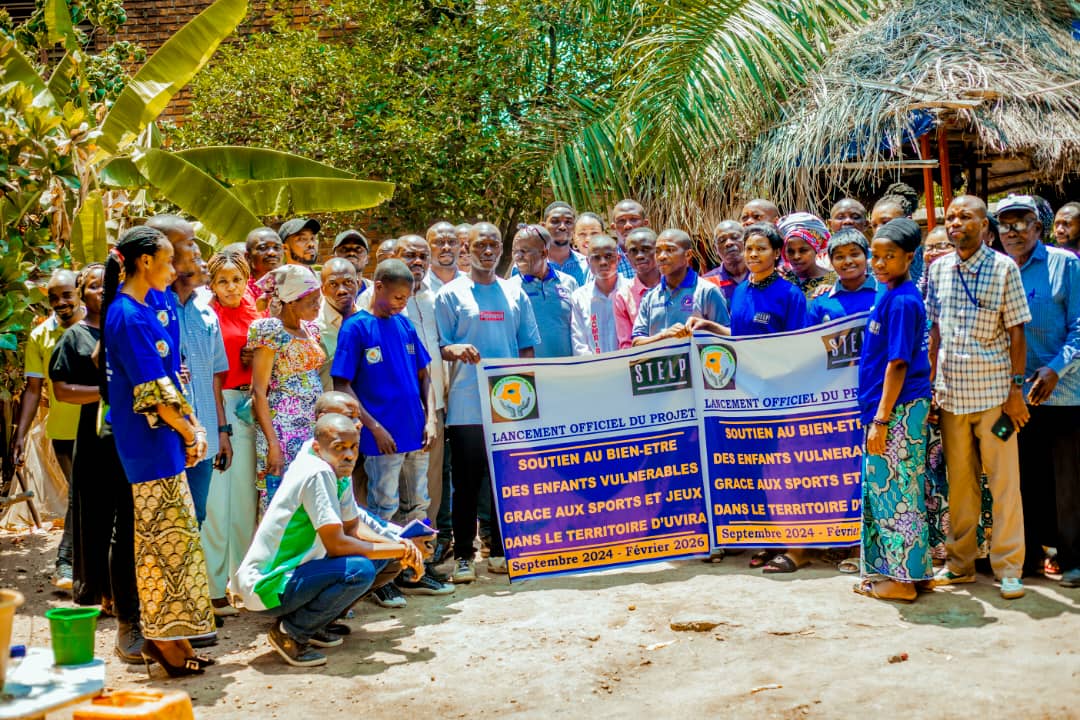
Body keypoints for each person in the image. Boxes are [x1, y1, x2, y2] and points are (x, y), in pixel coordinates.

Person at [101, 226, 214, 676]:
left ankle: (172, 634)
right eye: (169, 261)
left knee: (178, 544)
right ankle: (162, 640)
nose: (176, 269)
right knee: (161, 548)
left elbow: (174, 380)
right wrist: (190, 432)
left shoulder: (145, 306)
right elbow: (154, 392)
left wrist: (191, 428)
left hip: (163, 442)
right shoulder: (126, 315)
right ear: (145, 262)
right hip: (149, 446)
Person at [235, 413, 426, 667]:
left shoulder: (335, 467)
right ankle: (290, 633)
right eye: (340, 448)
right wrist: (399, 549)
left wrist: (399, 547)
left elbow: (353, 527)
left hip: (297, 575)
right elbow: (337, 544)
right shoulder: (318, 472)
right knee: (359, 570)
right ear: (318, 447)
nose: (349, 454)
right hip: (268, 585)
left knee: (386, 557)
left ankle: (317, 623)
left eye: (353, 447)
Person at [927, 195, 1032, 600]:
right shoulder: (938, 270)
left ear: (984, 226)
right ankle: (960, 565)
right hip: (951, 396)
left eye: (964, 216)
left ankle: (1009, 569)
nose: (955, 223)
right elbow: (935, 332)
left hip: (993, 398)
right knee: (961, 487)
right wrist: (934, 387)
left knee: (1004, 483)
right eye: (951, 217)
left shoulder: (1003, 267)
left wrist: (1016, 391)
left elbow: (1017, 332)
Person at [333, 260, 445, 600]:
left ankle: (416, 570)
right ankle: (383, 581)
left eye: (406, 298)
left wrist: (429, 419)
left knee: (418, 505)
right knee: (383, 508)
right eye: (396, 296)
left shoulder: (405, 326)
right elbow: (343, 383)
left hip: (416, 434)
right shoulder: (356, 328)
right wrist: (374, 427)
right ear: (378, 286)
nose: (401, 303)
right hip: (382, 438)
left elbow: (425, 376)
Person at [435, 222, 540, 582]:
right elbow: (440, 347)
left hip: (509, 405)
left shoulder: (514, 294)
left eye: (494, 244)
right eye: (481, 244)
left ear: (502, 249)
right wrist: (455, 349)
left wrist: (527, 399)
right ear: (468, 248)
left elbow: (527, 347)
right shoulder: (451, 294)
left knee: (503, 480)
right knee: (465, 482)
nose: (488, 250)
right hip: (467, 404)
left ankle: (500, 550)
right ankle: (464, 555)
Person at [50, 264, 142, 661]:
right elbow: (64, 390)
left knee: (129, 519)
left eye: (106, 285)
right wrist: (109, 391)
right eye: (91, 286)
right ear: (82, 293)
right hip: (94, 441)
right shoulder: (75, 337)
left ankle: (125, 595)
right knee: (96, 518)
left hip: (131, 440)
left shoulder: (125, 328)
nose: (100, 291)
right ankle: (100, 593)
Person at [996, 195, 1080, 586]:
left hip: (1064, 392)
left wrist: (1055, 369)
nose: (1011, 231)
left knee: (1069, 480)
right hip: (1016, 394)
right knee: (1024, 477)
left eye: (1020, 222)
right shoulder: (997, 268)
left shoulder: (1066, 265)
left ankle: (1072, 558)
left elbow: (1079, 326)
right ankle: (1028, 556)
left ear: (1037, 227)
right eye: (1004, 223)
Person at [853, 218, 934, 603]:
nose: (879, 263)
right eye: (876, 255)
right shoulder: (889, 292)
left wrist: (882, 420)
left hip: (897, 409)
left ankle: (902, 582)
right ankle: (913, 573)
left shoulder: (902, 299)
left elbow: (898, 362)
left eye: (890, 256)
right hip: (892, 407)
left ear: (909, 257)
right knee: (897, 491)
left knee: (895, 493)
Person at [148, 215, 228, 527]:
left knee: (196, 517)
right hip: (163, 435)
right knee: (164, 523)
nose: (198, 251)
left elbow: (215, 379)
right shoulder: (150, 309)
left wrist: (222, 432)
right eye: (189, 244)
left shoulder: (207, 313)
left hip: (203, 435)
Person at [13, 268, 84, 591]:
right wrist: (20, 434)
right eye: (54, 298)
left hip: (104, 429)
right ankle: (66, 563)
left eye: (66, 295)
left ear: (79, 292)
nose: (60, 303)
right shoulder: (42, 337)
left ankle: (78, 566)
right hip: (64, 433)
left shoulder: (98, 326)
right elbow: (32, 389)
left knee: (90, 496)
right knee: (82, 492)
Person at [204, 250, 262, 617]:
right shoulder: (205, 315)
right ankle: (213, 586)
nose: (230, 287)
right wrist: (220, 424)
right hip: (217, 405)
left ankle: (242, 581)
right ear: (212, 283)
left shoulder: (255, 312)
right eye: (223, 281)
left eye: (237, 279)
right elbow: (210, 371)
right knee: (215, 502)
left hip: (249, 408)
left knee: (243, 502)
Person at [393, 235, 449, 574]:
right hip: (396, 414)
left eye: (422, 256)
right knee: (394, 493)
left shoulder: (437, 298)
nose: (417, 261)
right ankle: (395, 566)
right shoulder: (378, 299)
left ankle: (422, 562)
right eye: (409, 255)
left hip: (434, 408)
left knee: (429, 489)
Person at [250, 264, 325, 512]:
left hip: (310, 428)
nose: (318, 306)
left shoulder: (310, 329)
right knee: (281, 504)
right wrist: (274, 446)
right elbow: (258, 391)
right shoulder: (271, 332)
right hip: (282, 430)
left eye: (319, 299)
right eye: (312, 301)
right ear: (291, 301)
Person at [631, 229, 729, 346]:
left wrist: (707, 326)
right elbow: (636, 343)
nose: (662, 257)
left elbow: (728, 336)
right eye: (657, 251)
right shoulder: (650, 297)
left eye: (670, 250)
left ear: (688, 255)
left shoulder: (707, 291)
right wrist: (664, 335)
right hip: (663, 364)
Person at [723, 223, 807, 338]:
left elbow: (798, 341)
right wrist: (707, 327)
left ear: (776, 253)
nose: (753, 254)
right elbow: (736, 334)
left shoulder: (791, 295)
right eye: (749, 249)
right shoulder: (740, 291)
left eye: (761, 249)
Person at [511, 224, 579, 358]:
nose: (518, 256)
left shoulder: (569, 283)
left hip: (568, 371)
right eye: (515, 251)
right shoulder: (510, 289)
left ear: (544, 253)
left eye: (524, 251)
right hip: (531, 374)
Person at [571, 235, 630, 355]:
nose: (603, 262)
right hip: (594, 369)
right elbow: (579, 343)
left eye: (608, 257)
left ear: (618, 259)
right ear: (588, 262)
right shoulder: (580, 297)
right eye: (596, 258)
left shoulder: (631, 291)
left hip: (629, 366)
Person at [806, 229, 877, 325]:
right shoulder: (821, 301)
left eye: (854, 254)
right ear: (831, 262)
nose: (848, 261)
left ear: (866, 256)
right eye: (840, 257)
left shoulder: (884, 292)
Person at [315, 258, 360, 390]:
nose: (342, 290)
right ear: (323, 290)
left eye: (348, 282)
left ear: (358, 283)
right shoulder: (313, 327)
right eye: (333, 284)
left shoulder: (367, 320)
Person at [613, 228, 661, 348]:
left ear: (658, 251)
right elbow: (626, 344)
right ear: (627, 257)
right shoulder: (623, 296)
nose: (639, 256)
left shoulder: (676, 284)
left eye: (646, 249)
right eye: (633, 251)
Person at [777, 212, 838, 299]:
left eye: (803, 251)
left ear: (815, 250)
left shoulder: (836, 281)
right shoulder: (781, 280)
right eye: (790, 251)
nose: (796, 256)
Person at [542, 202, 590, 286]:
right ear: (543, 226)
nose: (562, 227)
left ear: (574, 227)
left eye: (568, 222)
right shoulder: (529, 264)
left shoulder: (587, 265)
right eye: (555, 221)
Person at [702, 220, 747, 303]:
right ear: (715, 249)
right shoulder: (705, 283)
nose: (729, 243)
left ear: (747, 240)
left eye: (735, 237)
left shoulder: (762, 275)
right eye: (722, 240)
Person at [611, 199, 650, 278]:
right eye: (621, 220)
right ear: (613, 227)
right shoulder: (607, 259)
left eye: (634, 219)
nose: (628, 225)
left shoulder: (658, 255)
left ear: (645, 224)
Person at [244, 227, 284, 301]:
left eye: (277, 247)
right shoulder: (239, 291)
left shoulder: (289, 287)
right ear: (248, 257)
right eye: (263, 248)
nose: (272, 253)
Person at [426, 222, 465, 294]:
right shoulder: (415, 285)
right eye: (439, 242)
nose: (446, 247)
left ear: (459, 246)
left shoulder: (473, 284)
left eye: (452, 242)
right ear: (427, 247)